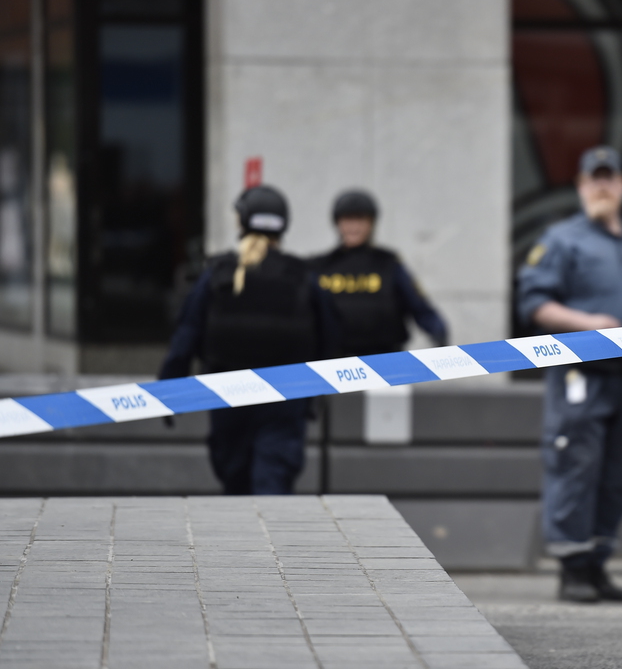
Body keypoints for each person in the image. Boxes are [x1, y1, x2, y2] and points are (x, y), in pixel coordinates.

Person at [517, 146, 622, 603]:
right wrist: (590, 324)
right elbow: (533, 304)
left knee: (619, 475)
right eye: (594, 179)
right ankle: (573, 569)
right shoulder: (561, 240)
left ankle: (599, 564)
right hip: (582, 374)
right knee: (576, 468)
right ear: (581, 186)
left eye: (610, 178)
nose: (602, 187)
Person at [158, 185, 336, 495]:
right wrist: (315, 397)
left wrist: (169, 392)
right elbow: (330, 338)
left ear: (241, 222)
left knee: (235, 490)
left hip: (229, 399)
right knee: (272, 489)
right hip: (285, 401)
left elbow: (186, 335)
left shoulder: (217, 275)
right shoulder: (302, 277)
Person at [309, 189, 447, 358]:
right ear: (337, 222)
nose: (354, 227)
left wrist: (439, 335)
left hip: (387, 363)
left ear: (371, 223)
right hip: (334, 366)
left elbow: (419, 305)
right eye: (348, 219)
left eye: (360, 219)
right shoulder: (320, 267)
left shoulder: (389, 264)